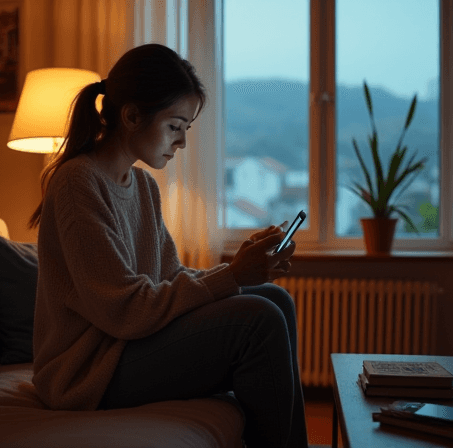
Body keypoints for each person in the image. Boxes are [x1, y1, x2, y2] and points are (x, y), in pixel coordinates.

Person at [29, 43, 309, 448]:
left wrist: (240, 273)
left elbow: (170, 278)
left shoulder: (142, 186)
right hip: (88, 370)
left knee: (275, 300)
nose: (180, 142)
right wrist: (231, 276)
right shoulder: (77, 183)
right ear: (131, 116)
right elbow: (125, 310)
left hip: (126, 345)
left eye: (186, 130)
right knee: (258, 319)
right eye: (174, 126)